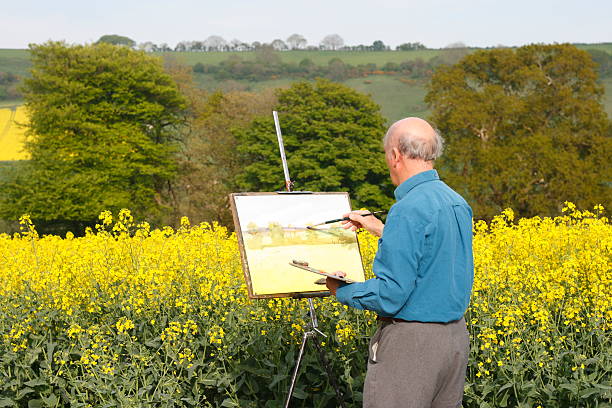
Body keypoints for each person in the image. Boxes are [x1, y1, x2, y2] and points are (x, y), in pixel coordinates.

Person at [326, 117, 474, 408]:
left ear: (395, 155)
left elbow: (390, 295)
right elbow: (432, 251)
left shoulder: (408, 209)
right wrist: (380, 228)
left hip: (412, 346)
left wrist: (340, 290)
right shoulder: (454, 200)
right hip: (454, 339)